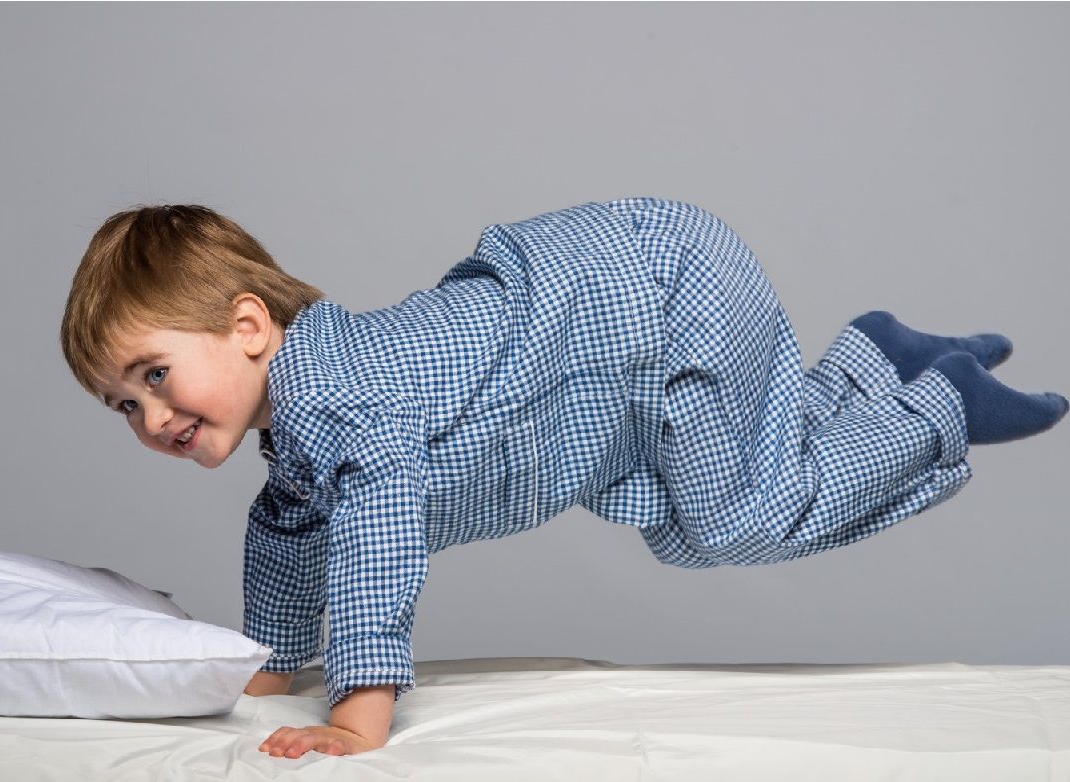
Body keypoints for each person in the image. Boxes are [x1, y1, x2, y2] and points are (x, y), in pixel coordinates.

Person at [59, 197, 1067, 759]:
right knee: (707, 511)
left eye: (156, 375)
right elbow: (288, 528)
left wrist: (358, 711)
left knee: (733, 519)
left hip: (660, 300)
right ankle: (876, 362)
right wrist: (270, 666)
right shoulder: (304, 431)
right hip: (625, 323)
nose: (152, 418)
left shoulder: (345, 399)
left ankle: (940, 403)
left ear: (247, 326)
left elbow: (375, 531)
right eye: (123, 405)